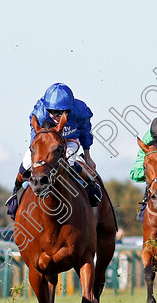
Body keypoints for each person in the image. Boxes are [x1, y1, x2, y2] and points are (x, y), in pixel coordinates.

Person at [6, 83, 101, 219]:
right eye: (52, 112)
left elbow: (85, 132)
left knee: (70, 158)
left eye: (61, 112)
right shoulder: (40, 112)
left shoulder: (80, 110)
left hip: (70, 139)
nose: (55, 116)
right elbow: (36, 139)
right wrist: (38, 153)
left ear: (70, 108)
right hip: (46, 141)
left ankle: (91, 184)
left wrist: (88, 156)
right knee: (27, 161)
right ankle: (16, 190)